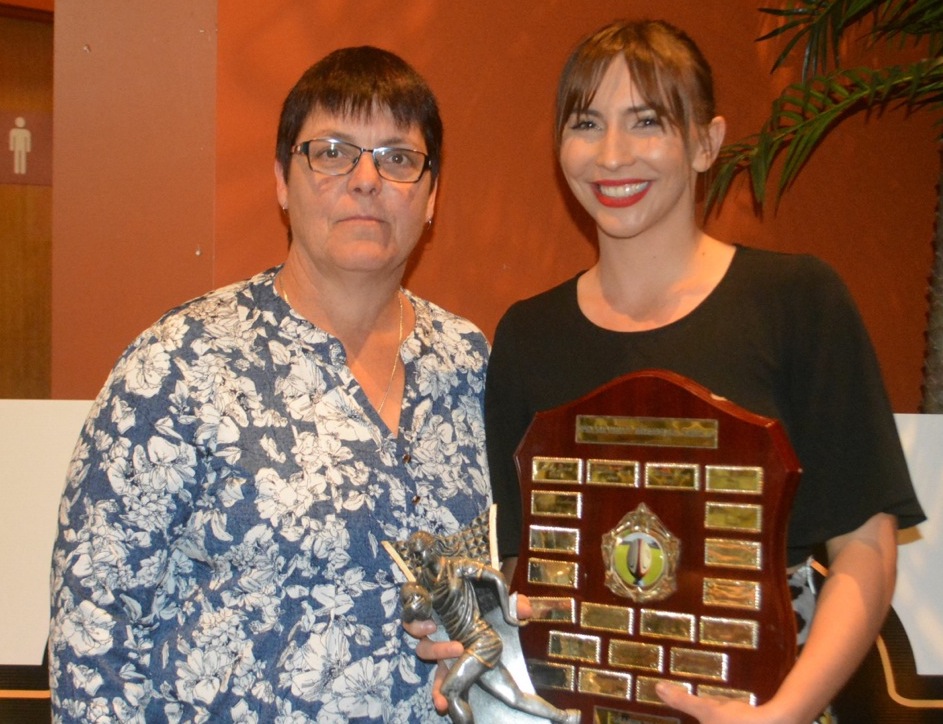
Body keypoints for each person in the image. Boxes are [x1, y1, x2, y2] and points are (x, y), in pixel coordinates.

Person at [484, 19, 926, 724]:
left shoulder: (796, 302)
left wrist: (785, 712)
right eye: (586, 122)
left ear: (704, 142)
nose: (612, 155)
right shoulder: (526, 335)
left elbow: (864, 550)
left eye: (647, 121)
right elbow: (516, 564)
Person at [48, 46, 491, 722]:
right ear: (283, 181)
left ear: (430, 197)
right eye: (332, 152)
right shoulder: (179, 366)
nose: (366, 180)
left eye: (398, 158)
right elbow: (93, 625)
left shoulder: (470, 363)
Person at [402, 532, 580, 724]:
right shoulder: (425, 581)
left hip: (482, 640)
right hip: (463, 648)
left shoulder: (456, 566)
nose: (416, 559)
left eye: (419, 553)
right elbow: (414, 610)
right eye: (413, 556)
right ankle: (566, 717)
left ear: (432, 548)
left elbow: (495, 576)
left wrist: (506, 613)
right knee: (514, 697)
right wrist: (410, 613)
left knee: (450, 691)